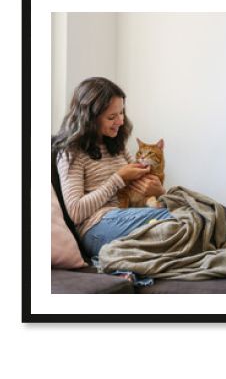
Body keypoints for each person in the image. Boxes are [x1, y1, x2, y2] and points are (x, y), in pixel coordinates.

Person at [52, 77, 174, 259]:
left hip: (128, 215)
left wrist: (159, 190)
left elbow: (141, 186)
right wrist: (118, 179)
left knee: (198, 215)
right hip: (97, 226)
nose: (120, 121)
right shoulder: (71, 152)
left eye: (121, 113)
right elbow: (76, 212)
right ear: (90, 118)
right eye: (112, 117)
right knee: (178, 221)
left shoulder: (118, 146)